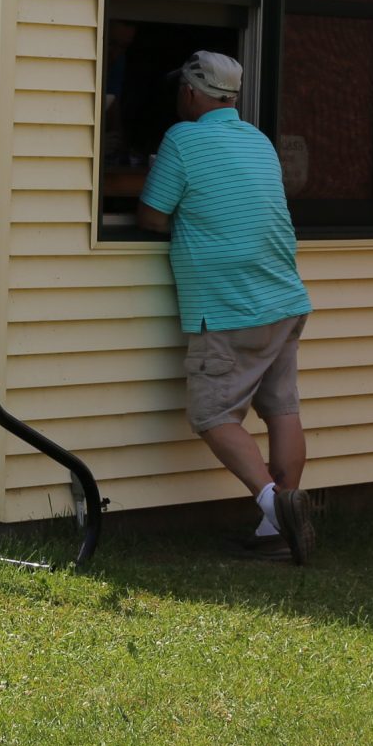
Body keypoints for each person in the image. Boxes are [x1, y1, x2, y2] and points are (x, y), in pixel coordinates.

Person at [136, 51, 316, 563]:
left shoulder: (183, 140)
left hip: (229, 305)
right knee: (281, 407)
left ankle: (275, 505)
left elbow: (151, 216)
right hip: (283, 297)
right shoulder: (256, 140)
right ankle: (275, 532)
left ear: (191, 93)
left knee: (212, 411)